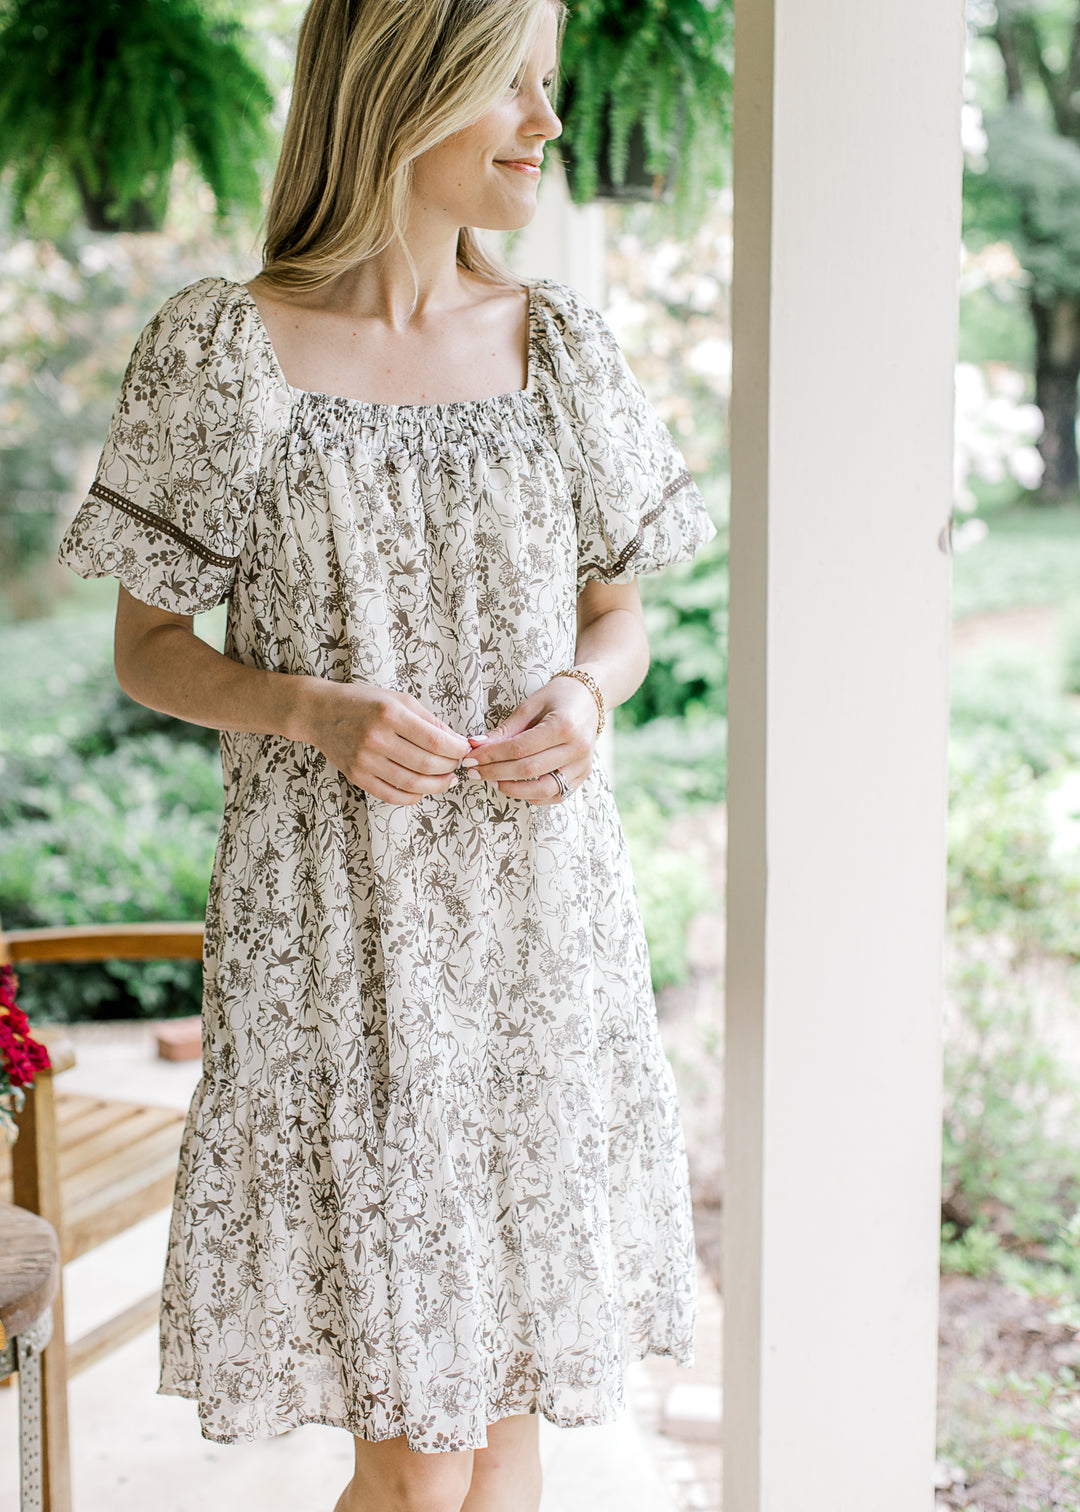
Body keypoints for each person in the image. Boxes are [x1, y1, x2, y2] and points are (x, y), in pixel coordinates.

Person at [57, 0, 717, 1507]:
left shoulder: (560, 347)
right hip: (339, 945)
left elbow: (620, 619)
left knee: (504, 1443)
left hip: (538, 944)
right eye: (513, 89)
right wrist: (313, 711)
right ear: (403, 95)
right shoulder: (224, 347)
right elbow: (148, 648)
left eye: (551, 87)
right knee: (422, 1462)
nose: (550, 126)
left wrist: (587, 697)